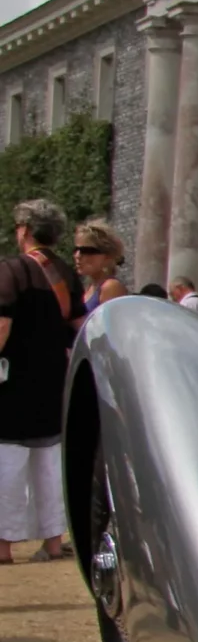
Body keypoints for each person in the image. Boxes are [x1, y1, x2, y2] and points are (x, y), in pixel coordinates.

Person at [0, 199, 79, 562]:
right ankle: (51, 540)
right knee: (48, 461)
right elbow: (77, 325)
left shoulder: (12, 271)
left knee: (7, 462)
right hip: (53, 379)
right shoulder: (65, 272)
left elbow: (2, 324)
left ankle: (3, 545)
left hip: (13, 381)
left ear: (24, 230)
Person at [71, 223, 127, 318]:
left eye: (87, 251)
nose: (77, 256)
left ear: (107, 256)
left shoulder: (110, 287)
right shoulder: (90, 287)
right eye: (76, 250)